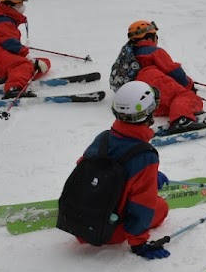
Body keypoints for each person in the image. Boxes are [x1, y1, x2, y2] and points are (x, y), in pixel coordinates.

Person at [73, 81, 171, 259]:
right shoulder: (145, 156)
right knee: (161, 207)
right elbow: (142, 205)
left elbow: (87, 169)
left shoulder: (103, 138)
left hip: (81, 223)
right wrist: (139, 243)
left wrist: (148, 177)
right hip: (107, 231)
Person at [126, 20, 206, 133]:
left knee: (168, 104)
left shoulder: (131, 54)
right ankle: (181, 120)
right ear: (150, 38)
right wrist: (189, 85)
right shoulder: (154, 51)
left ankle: (181, 111)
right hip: (154, 79)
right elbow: (173, 70)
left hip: (140, 89)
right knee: (187, 96)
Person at [0, 0, 51, 98]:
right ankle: (14, 89)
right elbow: (10, 43)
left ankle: (12, 76)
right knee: (23, 64)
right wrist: (28, 57)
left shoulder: (6, 19)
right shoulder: (2, 21)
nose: (23, 6)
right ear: (10, 5)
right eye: (20, 3)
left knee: (44, 63)